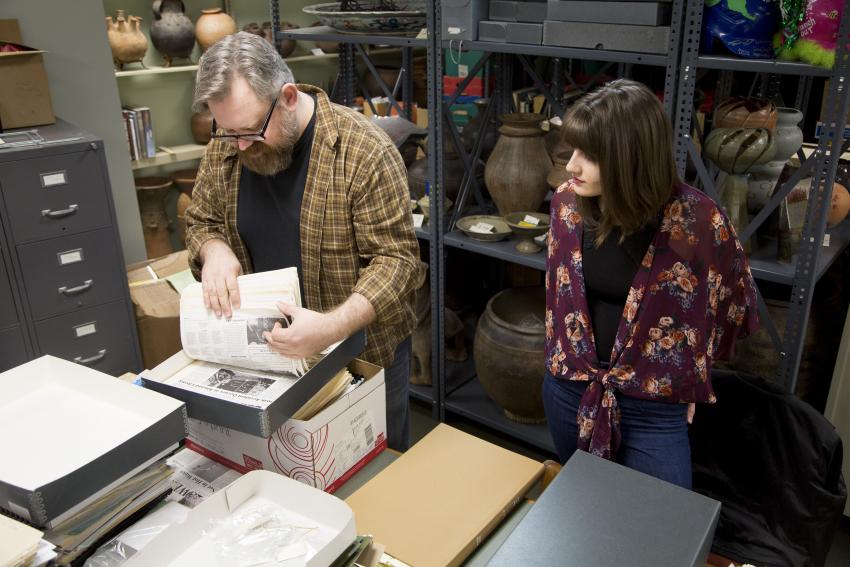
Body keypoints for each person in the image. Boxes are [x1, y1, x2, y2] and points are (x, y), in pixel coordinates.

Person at [185, 32, 422, 451]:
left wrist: (330, 326)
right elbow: (201, 220)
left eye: (252, 131)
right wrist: (214, 249)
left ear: (289, 97)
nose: (240, 146)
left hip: (360, 359)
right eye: (228, 133)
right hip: (268, 359)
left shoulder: (363, 151)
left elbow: (397, 262)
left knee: (376, 483)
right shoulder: (228, 145)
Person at [543, 79, 760, 488]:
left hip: (654, 405)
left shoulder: (698, 223)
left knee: (663, 531)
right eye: (572, 150)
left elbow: (731, 299)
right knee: (582, 506)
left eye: (589, 155)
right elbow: (559, 299)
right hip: (569, 390)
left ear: (631, 158)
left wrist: (695, 371)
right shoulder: (566, 206)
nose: (572, 166)